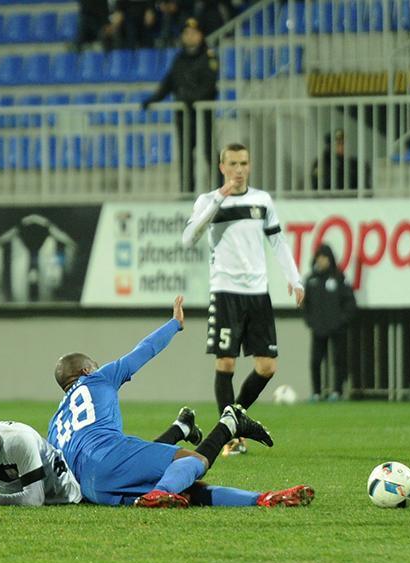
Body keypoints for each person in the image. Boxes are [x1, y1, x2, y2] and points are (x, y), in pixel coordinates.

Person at [49, 295, 314, 508]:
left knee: (186, 488)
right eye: (93, 365)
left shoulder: (54, 424)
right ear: (86, 370)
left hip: (92, 488)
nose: (97, 367)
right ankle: (222, 430)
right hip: (110, 456)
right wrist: (174, 323)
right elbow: (145, 349)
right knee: (192, 461)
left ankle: (262, 499)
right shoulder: (98, 378)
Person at [182, 143, 305, 456]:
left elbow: (277, 241)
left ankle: (232, 420)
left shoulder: (261, 200)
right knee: (226, 362)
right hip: (225, 291)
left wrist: (294, 278)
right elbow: (189, 238)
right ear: (222, 167)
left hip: (258, 293)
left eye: (244, 163)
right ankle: (230, 438)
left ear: (249, 166)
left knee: (267, 367)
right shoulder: (208, 200)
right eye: (233, 164)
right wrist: (219, 199)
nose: (239, 169)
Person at [0, 401, 204, 506]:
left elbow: (33, 500)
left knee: (133, 467)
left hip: (78, 487)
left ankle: (221, 428)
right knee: (133, 465)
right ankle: (181, 427)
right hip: (63, 473)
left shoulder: (18, 439)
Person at [141, 17, 218, 191]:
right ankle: (187, 191)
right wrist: (153, 98)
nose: (190, 37)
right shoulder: (179, 58)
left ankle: (220, 190)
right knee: (185, 155)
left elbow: (208, 86)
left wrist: (188, 98)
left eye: (193, 33)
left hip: (202, 114)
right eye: (186, 33)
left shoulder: (209, 57)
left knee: (209, 152)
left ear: (201, 35)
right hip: (184, 116)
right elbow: (168, 83)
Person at [303, 244, 356, 402]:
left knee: (338, 360)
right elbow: (305, 304)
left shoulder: (339, 277)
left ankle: (337, 392)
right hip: (318, 328)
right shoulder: (311, 280)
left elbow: (350, 302)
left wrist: (342, 321)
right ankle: (316, 392)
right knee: (315, 361)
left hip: (337, 329)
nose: (321, 261)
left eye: (324, 257)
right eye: (319, 257)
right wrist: (311, 321)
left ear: (330, 259)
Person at [311, 128, 371, 192]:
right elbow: (318, 186)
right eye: (339, 143)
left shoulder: (354, 163)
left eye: (344, 143)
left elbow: (364, 187)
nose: (343, 146)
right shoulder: (321, 163)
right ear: (330, 146)